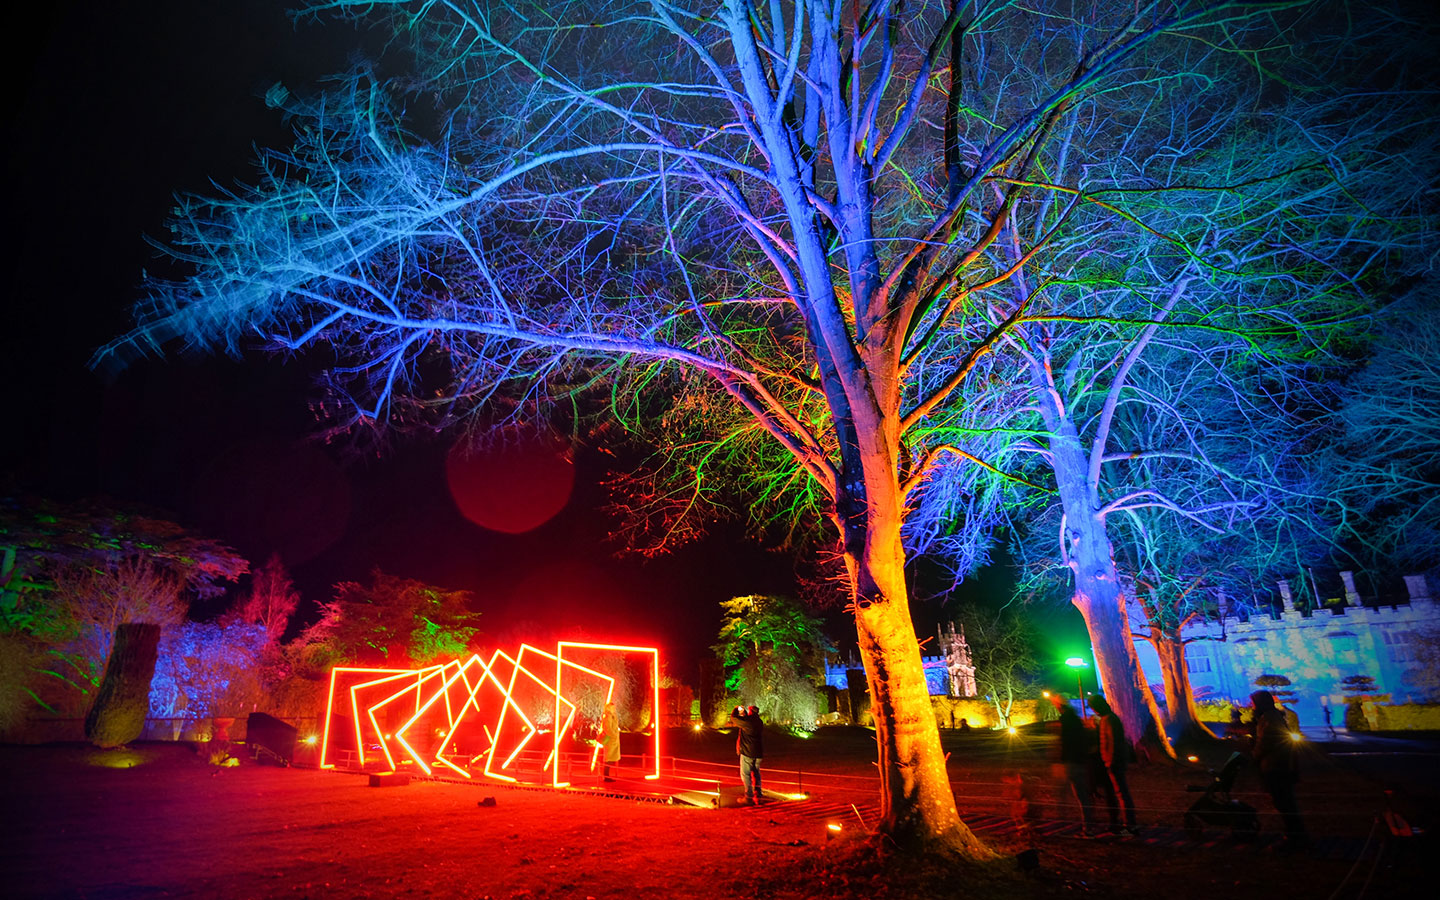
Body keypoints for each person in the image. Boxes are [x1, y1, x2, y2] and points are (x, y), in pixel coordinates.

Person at [1250, 690, 1308, 849]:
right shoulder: (1271, 717)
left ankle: (1295, 837)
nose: (1252, 706)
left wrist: (1254, 754)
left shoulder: (1269, 718)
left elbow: (1266, 740)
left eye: (1254, 703)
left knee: (1285, 802)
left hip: (1276, 766)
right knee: (1285, 802)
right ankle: (1295, 834)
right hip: (1277, 764)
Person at [1089, 696, 1139, 836]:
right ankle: (1126, 824)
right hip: (1111, 762)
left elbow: (1114, 743)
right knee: (1119, 793)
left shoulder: (1110, 719)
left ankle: (1130, 826)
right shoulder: (1107, 719)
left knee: (1122, 794)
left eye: (1093, 707)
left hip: (1114, 763)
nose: (1093, 711)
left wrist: (1110, 762)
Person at [1049, 694, 1097, 836]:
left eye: (1056, 705)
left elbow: (1065, 742)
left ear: (1060, 706)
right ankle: (1087, 824)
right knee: (1081, 795)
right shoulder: (1076, 720)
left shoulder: (1066, 721)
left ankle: (1078, 826)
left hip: (1070, 762)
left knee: (1065, 793)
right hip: (1079, 760)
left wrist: (1061, 759)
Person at [729, 704, 765, 804]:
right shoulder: (759, 722)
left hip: (748, 752)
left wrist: (736, 709)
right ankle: (758, 794)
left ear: (750, 712)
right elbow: (746, 721)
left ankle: (748, 796)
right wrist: (743, 714)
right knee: (756, 773)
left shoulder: (749, 722)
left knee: (746, 774)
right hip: (758, 752)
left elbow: (734, 719)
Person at [598, 701, 621, 783]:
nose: (614, 709)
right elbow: (608, 729)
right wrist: (614, 735)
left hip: (612, 740)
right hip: (611, 740)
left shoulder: (612, 716)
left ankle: (606, 776)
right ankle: (606, 776)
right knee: (608, 759)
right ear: (609, 708)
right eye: (613, 707)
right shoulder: (608, 717)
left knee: (610, 758)